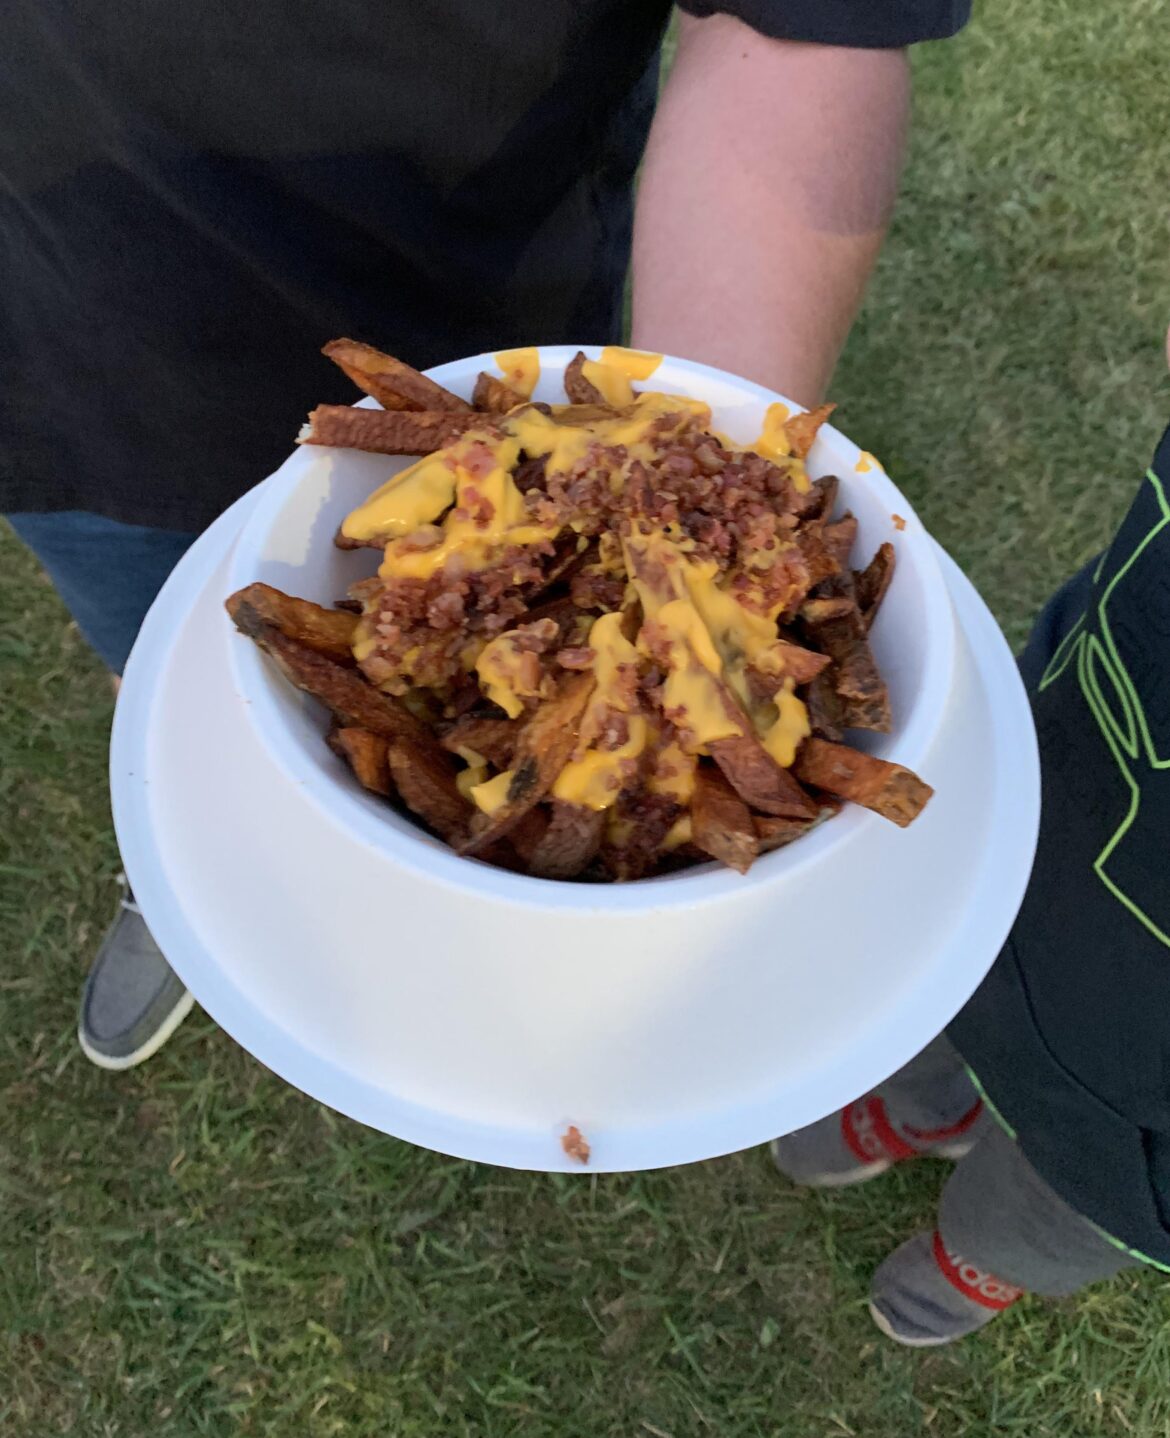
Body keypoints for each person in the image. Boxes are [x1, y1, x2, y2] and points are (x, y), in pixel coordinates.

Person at [1, 2, 969, 1069]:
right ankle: (187, 857)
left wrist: (697, 538)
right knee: (157, 671)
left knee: (266, 690)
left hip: (483, 296)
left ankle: (350, 875)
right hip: (54, 347)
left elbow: (806, 26)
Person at [773, 354, 1170, 1343]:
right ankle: (930, 1106)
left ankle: (982, 1257)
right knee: (950, 978)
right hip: (1064, 786)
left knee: (1056, 1204)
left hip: (1147, 1097)